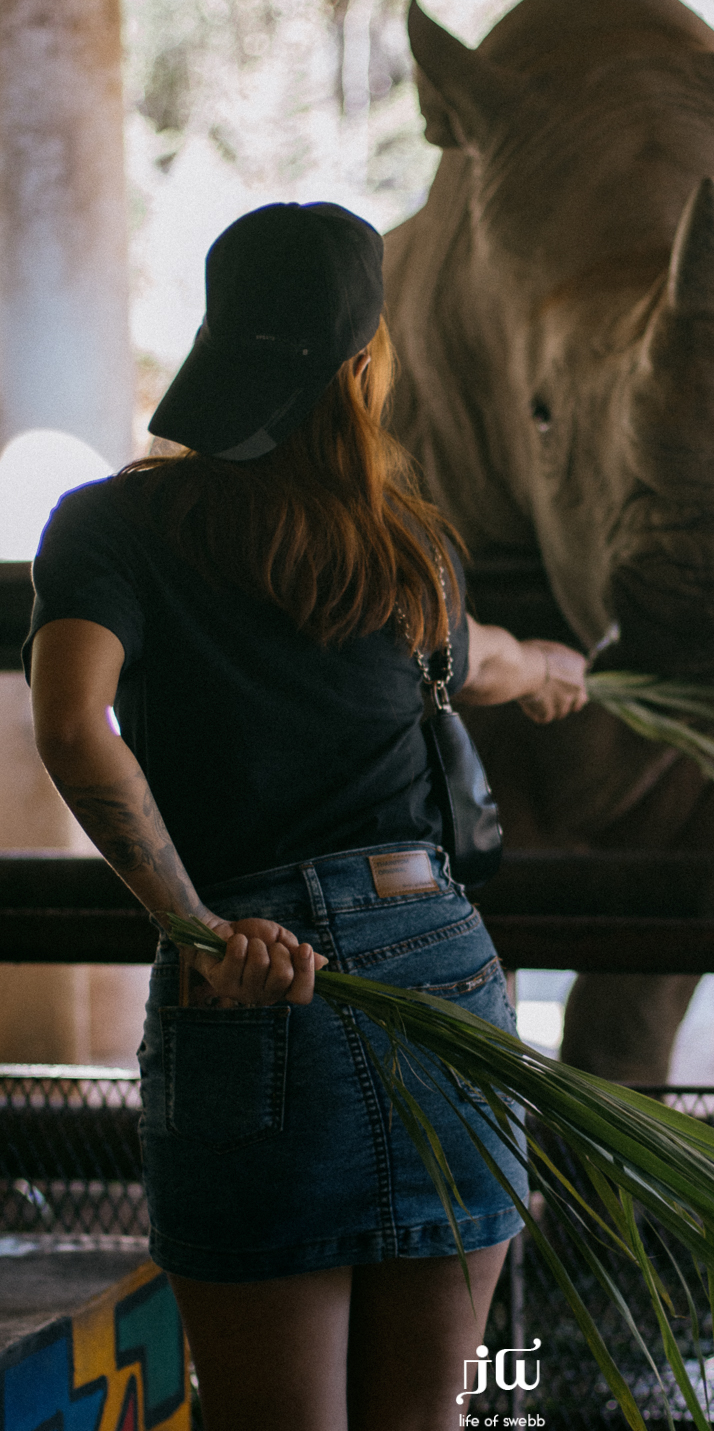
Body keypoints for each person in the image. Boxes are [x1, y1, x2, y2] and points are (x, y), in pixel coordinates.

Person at [25, 202, 589, 1431]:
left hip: (255, 981)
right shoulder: (409, 547)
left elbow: (75, 723)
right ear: (363, 362)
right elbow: (482, 659)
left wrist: (195, 930)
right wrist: (553, 666)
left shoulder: (109, 528)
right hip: (441, 977)